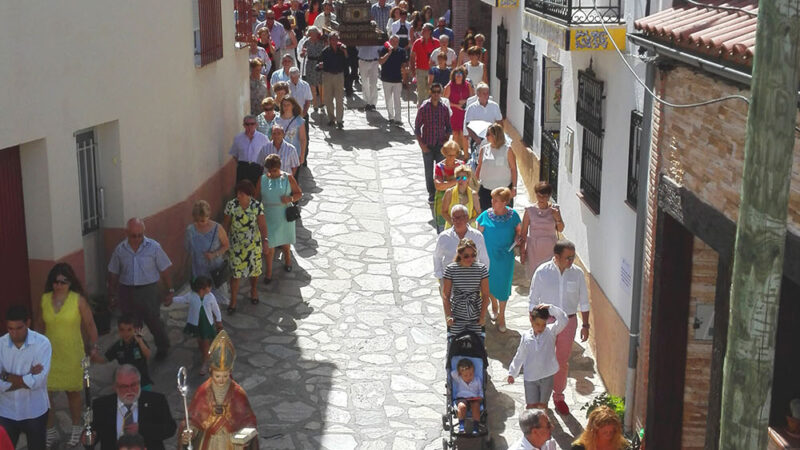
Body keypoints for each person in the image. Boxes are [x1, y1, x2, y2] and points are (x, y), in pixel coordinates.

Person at [32, 263, 99, 447]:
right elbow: (38, 325)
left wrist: (93, 347)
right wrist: (34, 350)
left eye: (63, 281)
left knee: (73, 393)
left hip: (72, 353)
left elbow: (90, 325)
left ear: (70, 282)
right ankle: (50, 430)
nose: (59, 285)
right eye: (56, 281)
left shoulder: (78, 300)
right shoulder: (44, 300)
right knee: (47, 393)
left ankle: (76, 429)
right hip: (50, 354)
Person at [529, 240, 590, 416]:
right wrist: (534, 324)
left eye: (573, 257)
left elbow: (584, 301)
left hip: (568, 323)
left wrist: (585, 325)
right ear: (556, 257)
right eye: (568, 258)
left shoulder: (577, 274)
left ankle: (558, 396)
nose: (571, 261)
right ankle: (542, 399)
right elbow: (533, 299)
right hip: (546, 322)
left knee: (561, 362)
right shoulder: (542, 272)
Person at [107, 218, 174, 360]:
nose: (137, 239)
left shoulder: (154, 247)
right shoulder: (120, 250)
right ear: (126, 233)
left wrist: (170, 290)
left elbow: (165, 269)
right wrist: (112, 294)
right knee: (131, 324)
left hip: (149, 290)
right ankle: (137, 350)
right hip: (127, 290)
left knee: (154, 321)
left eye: (140, 235)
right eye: (133, 235)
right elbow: (113, 272)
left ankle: (163, 347)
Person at [182, 331, 258, 450]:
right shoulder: (202, 392)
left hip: (232, 443)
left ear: (230, 373)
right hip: (209, 443)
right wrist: (190, 432)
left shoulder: (238, 393)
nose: (221, 380)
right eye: (217, 376)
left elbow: (249, 420)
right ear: (211, 372)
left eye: (225, 376)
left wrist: (244, 431)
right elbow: (193, 421)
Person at [88, 365, 177, 450]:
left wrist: (142, 429)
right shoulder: (102, 405)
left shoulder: (156, 401)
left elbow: (170, 429)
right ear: (115, 387)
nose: (129, 390)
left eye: (134, 385)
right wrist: (89, 439)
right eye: (124, 386)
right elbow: (95, 433)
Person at [0, 306, 51, 450]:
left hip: (34, 411)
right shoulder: (0, 345)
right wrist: (29, 376)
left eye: (18, 328)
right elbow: (31, 381)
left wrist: (6, 376)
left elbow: (38, 382)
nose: (14, 333)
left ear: (28, 323)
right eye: (10, 328)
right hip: (6, 412)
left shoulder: (42, 344)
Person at [476, 187, 521, 332]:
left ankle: (502, 315)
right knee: (488, 284)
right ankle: (493, 303)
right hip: (488, 257)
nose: (492, 202)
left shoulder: (513, 216)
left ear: (505, 202)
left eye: (496, 200)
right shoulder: (484, 216)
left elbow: (519, 232)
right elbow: (477, 236)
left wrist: (517, 239)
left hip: (506, 257)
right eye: (492, 199)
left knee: (503, 286)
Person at [508, 304, 568, 409]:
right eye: (537, 324)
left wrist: (550, 308)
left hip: (547, 376)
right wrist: (512, 373)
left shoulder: (551, 332)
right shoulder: (526, 336)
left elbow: (564, 319)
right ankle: (531, 424)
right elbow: (520, 355)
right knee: (531, 406)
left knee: (542, 406)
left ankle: (542, 424)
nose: (540, 327)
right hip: (530, 377)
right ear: (531, 320)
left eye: (543, 324)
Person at [223, 180, 268, 314]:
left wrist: (265, 240)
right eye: (238, 193)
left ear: (249, 194)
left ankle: (253, 290)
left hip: (253, 245)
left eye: (242, 193)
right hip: (236, 245)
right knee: (235, 274)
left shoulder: (256, 206)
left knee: (254, 272)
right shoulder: (231, 205)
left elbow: (262, 225)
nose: (239, 195)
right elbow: (226, 224)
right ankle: (233, 301)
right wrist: (223, 241)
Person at [258, 154, 302, 282]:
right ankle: (269, 272)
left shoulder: (288, 178)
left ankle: (288, 259)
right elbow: (256, 197)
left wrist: (290, 198)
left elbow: (299, 193)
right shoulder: (262, 179)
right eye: (270, 171)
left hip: (283, 214)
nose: (272, 173)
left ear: (279, 167)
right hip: (268, 214)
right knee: (270, 244)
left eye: (275, 170)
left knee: (285, 242)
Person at [172, 277, 223, 375]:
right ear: (202, 289)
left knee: (205, 343)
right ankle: (205, 354)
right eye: (209, 287)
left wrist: (219, 320)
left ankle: (205, 362)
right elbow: (182, 299)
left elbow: (216, 309)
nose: (210, 288)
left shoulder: (211, 297)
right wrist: (172, 299)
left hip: (206, 324)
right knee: (200, 341)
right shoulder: (191, 296)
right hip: (196, 323)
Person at [184, 199, 231, 305]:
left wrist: (214, 254)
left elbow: (226, 245)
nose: (200, 224)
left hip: (215, 272)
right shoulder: (190, 231)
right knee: (201, 302)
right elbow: (188, 249)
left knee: (216, 303)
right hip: (199, 272)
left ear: (208, 216)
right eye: (197, 221)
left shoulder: (217, 228)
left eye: (203, 221)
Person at [441, 238, 490, 339]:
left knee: (477, 346)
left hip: (475, 315)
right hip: (457, 315)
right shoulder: (451, 269)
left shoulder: (481, 269)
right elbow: (446, 295)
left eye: (473, 255)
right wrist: (448, 316)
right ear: (459, 254)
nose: (470, 259)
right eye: (466, 256)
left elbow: (485, 295)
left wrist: (482, 316)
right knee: (454, 346)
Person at [414, 82, 452, 203]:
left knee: (441, 171)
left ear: (441, 93)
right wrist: (422, 145)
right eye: (434, 92)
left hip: (440, 146)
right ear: (430, 92)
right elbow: (417, 128)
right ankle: (431, 193)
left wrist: (446, 140)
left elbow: (449, 128)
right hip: (428, 145)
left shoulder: (444, 109)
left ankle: (440, 192)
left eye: (438, 92)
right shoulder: (424, 108)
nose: (436, 94)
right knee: (429, 171)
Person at [434, 204, 490, 283]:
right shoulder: (444, 237)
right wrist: (440, 275)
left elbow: (484, 258)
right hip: (449, 279)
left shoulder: (477, 236)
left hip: (471, 280)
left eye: (460, 217)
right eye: (454, 218)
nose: (457, 221)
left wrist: (482, 277)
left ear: (467, 218)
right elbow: (437, 256)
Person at [97, 315, 153, 390]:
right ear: (119, 331)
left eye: (129, 330)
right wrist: (93, 356)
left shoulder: (139, 343)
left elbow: (148, 355)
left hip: (142, 381)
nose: (126, 333)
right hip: (126, 381)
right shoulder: (117, 346)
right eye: (122, 330)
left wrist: (140, 341)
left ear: (135, 330)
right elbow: (104, 359)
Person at [521, 182, 564, 278]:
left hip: (550, 248)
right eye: (539, 196)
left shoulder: (555, 209)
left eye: (544, 196)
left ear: (549, 196)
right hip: (534, 249)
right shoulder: (529, 210)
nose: (541, 199)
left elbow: (560, 229)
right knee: (535, 277)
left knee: (550, 276)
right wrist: (522, 252)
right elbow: (523, 233)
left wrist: (557, 218)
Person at [476, 123, 518, 211]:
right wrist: (475, 185)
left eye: (488, 134)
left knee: (505, 214)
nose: (486, 136)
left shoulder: (507, 150)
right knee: (486, 214)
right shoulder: (484, 149)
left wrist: (514, 187)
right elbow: (479, 167)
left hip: (503, 190)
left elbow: (513, 169)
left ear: (496, 135)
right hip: (486, 189)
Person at [318, 32, 347, 129]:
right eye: (332, 39)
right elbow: (319, 64)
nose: (334, 41)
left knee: (339, 99)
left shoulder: (342, 50)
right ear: (329, 40)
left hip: (339, 75)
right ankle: (331, 118)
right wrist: (320, 66)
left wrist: (345, 51)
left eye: (336, 39)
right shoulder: (325, 51)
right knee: (328, 99)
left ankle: (339, 120)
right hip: (328, 75)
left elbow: (348, 61)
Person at [229, 115, 269, 186]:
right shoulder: (238, 138)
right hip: (243, 168)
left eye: (252, 124)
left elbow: (268, 153)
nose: (250, 126)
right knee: (242, 189)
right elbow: (235, 154)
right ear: (244, 125)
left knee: (256, 190)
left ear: (256, 125)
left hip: (257, 168)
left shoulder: (263, 138)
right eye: (247, 124)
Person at [463, 82, 503, 152]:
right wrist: (477, 139)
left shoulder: (494, 106)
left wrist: (497, 136)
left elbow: (499, 122)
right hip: (477, 138)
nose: (486, 95)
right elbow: (468, 125)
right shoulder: (471, 108)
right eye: (484, 93)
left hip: (492, 138)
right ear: (478, 94)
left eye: (487, 93)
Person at [433, 140, 464, 228]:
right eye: (449, 155)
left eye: (454, 155)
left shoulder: (461, 165)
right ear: (444, 153)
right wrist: (456, 181)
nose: (451, 157)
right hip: (442, 200)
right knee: (443, 226)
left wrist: (446, 183)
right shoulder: (439, 167)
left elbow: (466, 179)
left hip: (459, 199)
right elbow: (438, 186)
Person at [379, 34, 407, 126]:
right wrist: (389, 53)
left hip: (397, 79)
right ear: (389, 42)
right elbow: (381, 61)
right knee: (388, 99)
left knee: (397, 99)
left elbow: (403, 65)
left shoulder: (402, 51)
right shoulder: (384, 49)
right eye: (393, 41)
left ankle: (398, 119)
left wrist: (405, 78)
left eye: (396, 41)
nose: (394, 43)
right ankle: (391, 117)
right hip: (386, 78)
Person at [444, 67, 474, 154]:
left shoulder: (467, 85)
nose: (458, 76)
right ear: (453, 76)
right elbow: (445, 101)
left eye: (460, 74)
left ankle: (466, 155)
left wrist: (465, 101)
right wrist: (456, 105)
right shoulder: (449, 86)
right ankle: (455, 154)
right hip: (454, 113)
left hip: (465, 112)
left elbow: (472, 98)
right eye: (456, 74)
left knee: (464, 134)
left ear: (463, 76)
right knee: (455, 134)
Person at [409, 23, 439, 105]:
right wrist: (412, 70)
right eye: (422, 29)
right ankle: (421, 109)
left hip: (433, 71)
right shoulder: (417, 42)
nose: (422, 31)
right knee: (421, 92)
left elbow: (440, 56)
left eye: (424, 29)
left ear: (429, 31)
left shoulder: (436, 43)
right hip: (420, 70)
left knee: (431, 91)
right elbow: (412, 57)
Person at [288, 67, 312, 164]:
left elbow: (308, 100)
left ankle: (304, 158)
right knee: (291, 137)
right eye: (291, 77)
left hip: (302, 114)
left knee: (304, 137)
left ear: (299, 76)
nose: (293, 79)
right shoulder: (286, 85)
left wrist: (304, 113)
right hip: (290, 116)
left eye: (295, 77)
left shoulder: (305, 85)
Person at [451, 358, 483, 435]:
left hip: (473, 398)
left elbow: (481, 390)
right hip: (462, 398)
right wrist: (460, 371)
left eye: (471, 374)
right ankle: (461, 426)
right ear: (460, 374)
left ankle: (476, 426)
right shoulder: (459, 379)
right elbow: (452, 373)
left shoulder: (477, 380)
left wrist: (481, 397)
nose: (469, 377)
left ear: (474, 372)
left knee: (476, 406)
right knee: (461, 406)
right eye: (465, 375)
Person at [276, 96, 307, 171]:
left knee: (293, 179)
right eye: (284, 105)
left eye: (288, 105)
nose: (286, 107)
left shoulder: (299, 120)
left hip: (294, 154)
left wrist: (302, 155)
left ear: (293, 106)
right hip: (279, 154)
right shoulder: (277, 120)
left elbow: (303, 139)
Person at [299, 26, 325, 112]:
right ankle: (315, 104)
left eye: (313, 34)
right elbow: (302, 55)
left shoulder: (321, 42)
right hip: (310, 64)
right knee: (312, 85)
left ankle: (322, 102)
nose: (312, 36)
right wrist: (303, 53)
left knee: (321, 83)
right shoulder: (306, 42)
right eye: (310, 34)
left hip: (319, 63)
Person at [357, 44, 382, 111]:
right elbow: (357, 46)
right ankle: (367, 102)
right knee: (365, 82)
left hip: (374, 61)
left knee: (373, 83)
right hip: (363, 61)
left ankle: (373, 103)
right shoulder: (362, 36)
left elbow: (381, 47)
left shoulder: (377, 37)